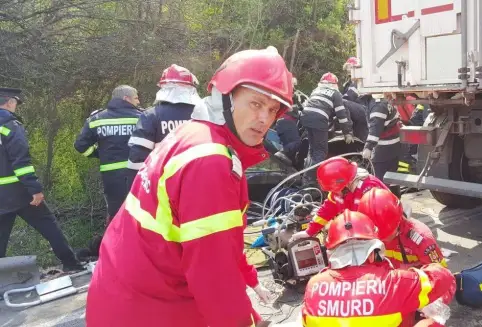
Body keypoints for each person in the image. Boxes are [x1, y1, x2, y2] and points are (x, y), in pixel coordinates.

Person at [85, 46, 293, 327]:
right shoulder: (210, 160)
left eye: (272, 110)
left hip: (124, 297)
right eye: (256, 104)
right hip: (151, 310)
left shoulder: (193, 134)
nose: (264, 119)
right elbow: (212, 274)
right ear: (225, 99)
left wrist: (250, 284)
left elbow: (220, 243)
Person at [301, 209, 456, 327]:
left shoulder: (314, 286)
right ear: (372, 251)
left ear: (331, 252)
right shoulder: (395, 283)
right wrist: (411, 272)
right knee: (431, 322)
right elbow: (444, 276)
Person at [0, 87, 83, 272]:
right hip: (18, 192)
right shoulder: (10, 125)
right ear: (10, 102)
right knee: (48, 225)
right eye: (15, 103)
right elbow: (21, 161)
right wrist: (34, 189)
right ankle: (71, 264)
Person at [75, 85, 142, 222]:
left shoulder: (97, 119)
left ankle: (114, 242)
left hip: (111, 177)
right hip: (138, 174)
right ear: (126, 98)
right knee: (141, 214)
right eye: (136, 98)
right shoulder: (143, 118)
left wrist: (99, 154)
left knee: (116, 215)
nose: (138, 102)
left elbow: (80, 146)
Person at [125, 65, 201, 184]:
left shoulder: (151, 116)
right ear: (191, 88)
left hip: (162, 184)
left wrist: (136, 189)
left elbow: (137, 159)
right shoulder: (204, 114)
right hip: (198, 180)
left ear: (163, 89)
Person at [289, 156, 389, 242]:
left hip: (385, 237)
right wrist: (309, 232)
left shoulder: (368, 190)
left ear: (343, 184)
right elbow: (326, 211)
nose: (332, 192)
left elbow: (381, 222)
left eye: (333, 189)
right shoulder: (340, 190)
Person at [358, 188, 447, 269]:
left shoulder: (422, 240)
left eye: (386, 235)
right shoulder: (363, 237)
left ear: (398, 222)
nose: (383, 241)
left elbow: (442, 276)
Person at [300, 73, 353, 183]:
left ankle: (305, 176)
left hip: (305, 118)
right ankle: (311, 180)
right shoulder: (335, 93)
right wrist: (347, 133)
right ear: (335, 84)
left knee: (312, 150)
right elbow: (341, 115)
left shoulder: (316, 90)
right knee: (321, 152)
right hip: (318, 120)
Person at [360, 94, 402, 182]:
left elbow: (376, 128)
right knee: (392, 177)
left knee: (380, 178)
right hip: (392, 145)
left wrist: (368, 147)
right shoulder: (379, 102)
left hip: (384, 148)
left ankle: (384, 194)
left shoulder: (377, 106)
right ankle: (394, 195)